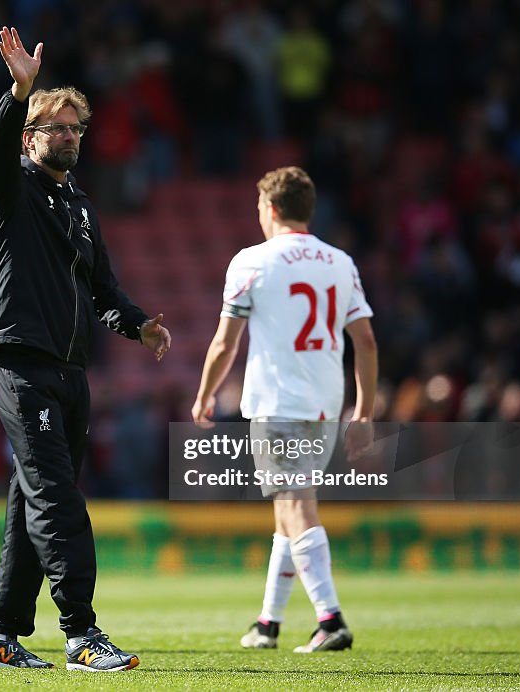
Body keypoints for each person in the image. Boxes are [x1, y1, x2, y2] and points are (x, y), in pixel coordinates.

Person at [0, 26, 171, 672]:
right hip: (19, 361)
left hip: (69, 370)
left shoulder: (80, 205)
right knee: (57, 498)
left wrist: (137, 325)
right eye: (56, 127)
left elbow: (104, 287)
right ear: (29, 137)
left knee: (33, 499)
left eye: (77, 128)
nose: (69, 136)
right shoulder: (11, 189)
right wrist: (18, 92)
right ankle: (81, 634)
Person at [192, 166, 377, 653]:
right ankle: (268, 623)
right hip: (325, 402)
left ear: (271, 209)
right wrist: (364, 410)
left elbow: (224, 344)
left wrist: (205, 393)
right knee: (287, 512)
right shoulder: (340, 262)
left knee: (296, 507)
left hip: (277, 402)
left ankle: (330, 616)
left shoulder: (251, 261)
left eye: (259, 207)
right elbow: (367, 343)